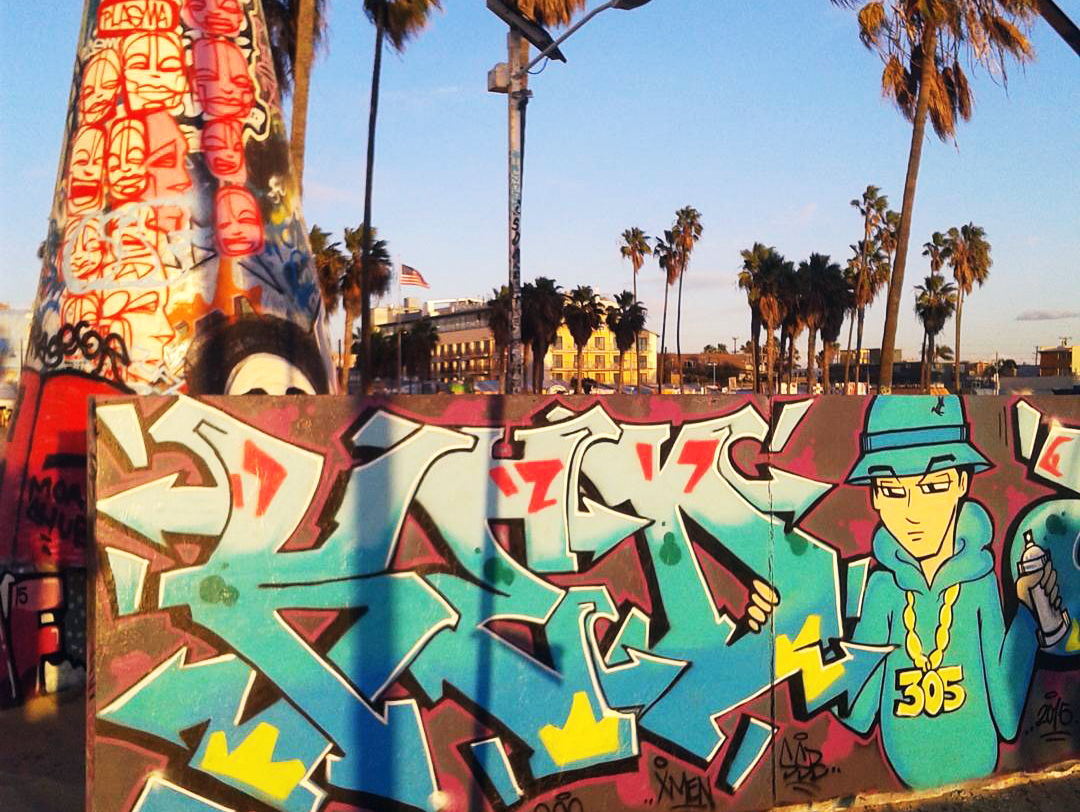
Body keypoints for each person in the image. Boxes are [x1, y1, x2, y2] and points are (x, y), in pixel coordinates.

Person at [840, 395, 1060, 789]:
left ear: (961, 483)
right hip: (904, 775)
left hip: (976, 766)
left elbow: (1007, 716)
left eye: (933, 486)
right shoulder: (882, 588)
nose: (913, 512)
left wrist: (1028, 613)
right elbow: (858, 712)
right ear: (874, 496)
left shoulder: (978, 585)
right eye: (892, 490)